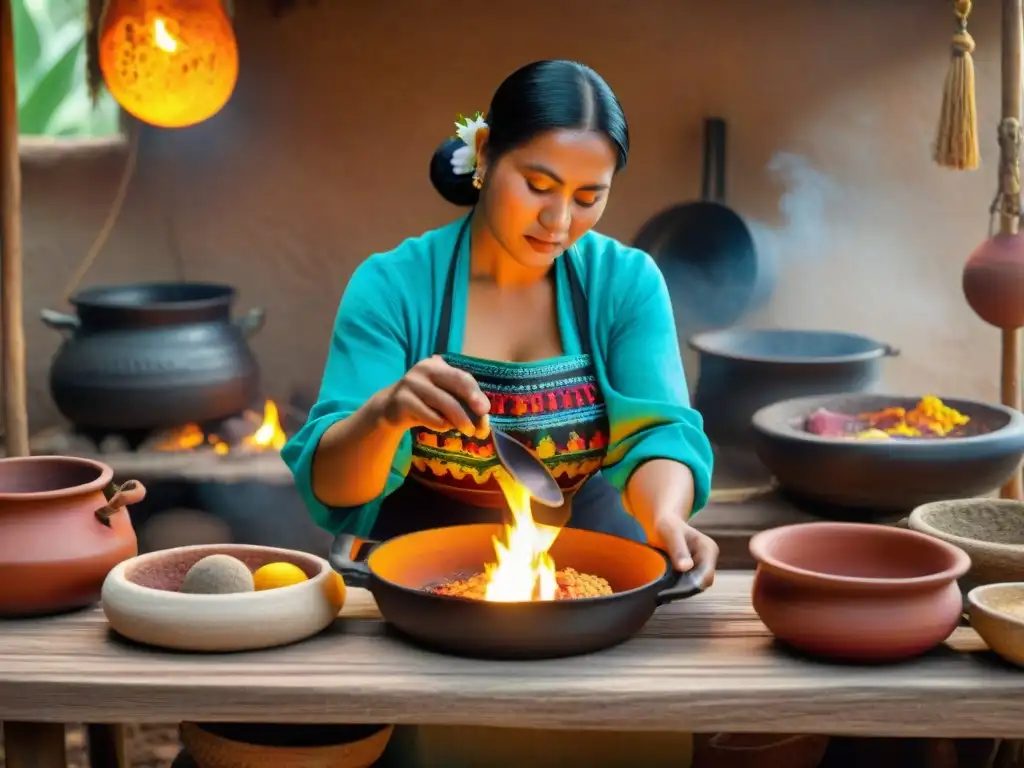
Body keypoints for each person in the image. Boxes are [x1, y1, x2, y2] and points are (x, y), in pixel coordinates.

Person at [283, 58, 718, 584]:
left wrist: (665, 516)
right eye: (538, 185)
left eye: (587, 197)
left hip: (586, 568)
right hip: (422, 573)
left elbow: (661, 435)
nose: (558, 222)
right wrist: (384, 416)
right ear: (486, 151)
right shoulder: (393, 286)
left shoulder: (625, 283)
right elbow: (332, 486)